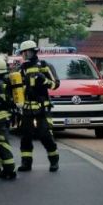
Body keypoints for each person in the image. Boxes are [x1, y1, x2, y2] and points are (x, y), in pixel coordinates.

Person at [15, 40, 60, 172]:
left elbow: (55, 84)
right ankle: (26, 163)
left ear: (32, 52)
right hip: (26, 109)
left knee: (45, 135)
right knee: (26, 137)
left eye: (26, 52)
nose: (24, 55)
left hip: (42, 109)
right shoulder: (21, 69)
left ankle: (54, 160)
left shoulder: (45, 66)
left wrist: (44, 80)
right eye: (22, 53)